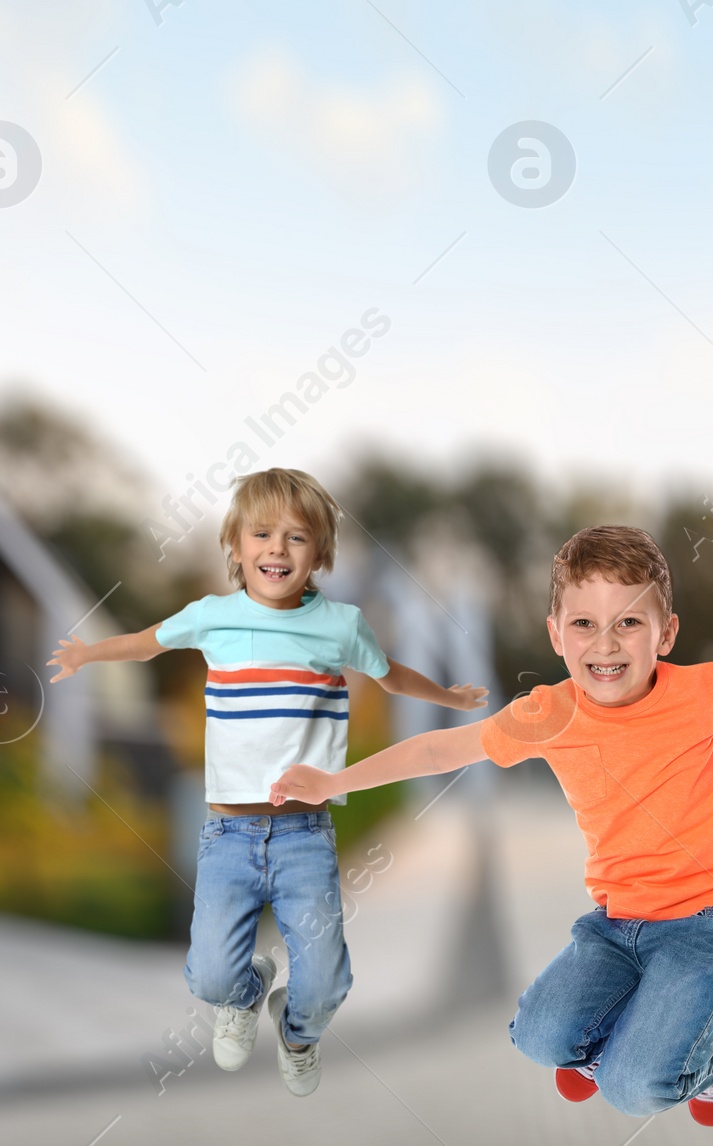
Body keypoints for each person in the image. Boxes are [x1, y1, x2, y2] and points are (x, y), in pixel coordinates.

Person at [270, 523, 713, 1125]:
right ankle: (649, 1028)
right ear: (556, 634)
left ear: (667, 632)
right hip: (617, 924)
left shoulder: (706, 693)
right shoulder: (547, 714)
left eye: (629, 622)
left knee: (631, 1090)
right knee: (538, 1037)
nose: (606, 643)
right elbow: (440, 746)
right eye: (585, 623)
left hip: (711, 921)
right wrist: (335, 780)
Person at [49, 467, 486, 1097]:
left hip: (304, 835)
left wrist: (447, 694)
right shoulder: (211, 617)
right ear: (235, 546)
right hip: (227, 833)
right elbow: (147, 645)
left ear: (320, 554)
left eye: (296, 537)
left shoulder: (341, 625)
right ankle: (245, 989)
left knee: (326, 981)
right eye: (261, 533)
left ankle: (298, 1033)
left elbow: (391, 677)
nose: (277, 548)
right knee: (209, 978)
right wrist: (88, 653)